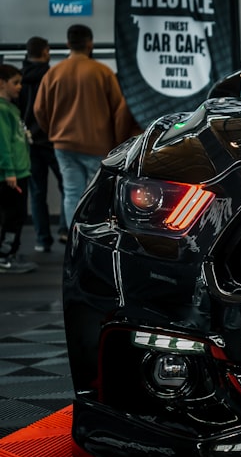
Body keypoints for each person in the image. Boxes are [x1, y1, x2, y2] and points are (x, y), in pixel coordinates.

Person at [33, 24, 140, 226]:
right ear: (90, 44)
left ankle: (73, 238)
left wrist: (54, 131)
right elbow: (119, 112)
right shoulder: (102, 72)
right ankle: (92, 239)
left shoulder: (53, 73)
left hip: (63, 145)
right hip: (97, 145)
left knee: (72, 192)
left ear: (68, 43)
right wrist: (117, 142)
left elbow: (39, 110)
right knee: (97, 194)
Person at [16, 36, 66, 253]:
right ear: (46, 51)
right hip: (53, 141)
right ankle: (65, 231)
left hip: (29, 143)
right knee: (68, 188)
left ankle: (42, 240)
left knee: (37, 193)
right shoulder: (52, 76)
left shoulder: (17, 79)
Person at [0, 65, 37, 274]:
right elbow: (3, 144)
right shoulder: (2, 110)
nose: (20, 87)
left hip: (19, 171)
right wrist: (9, 172)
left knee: (15, 215)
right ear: (1, 83)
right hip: (13, 175)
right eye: (15, 82)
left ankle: (10, 252)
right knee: (13, 216)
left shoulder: (10, 108)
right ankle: (5, 257)